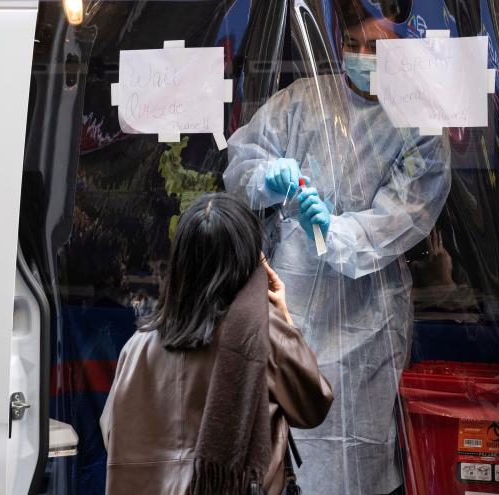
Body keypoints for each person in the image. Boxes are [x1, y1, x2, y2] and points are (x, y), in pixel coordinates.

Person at [223, 3, 450, 494]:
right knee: (284, 460)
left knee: (359, 458)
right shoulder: (301, 103)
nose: (363, 56)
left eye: (377, 48)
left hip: (367, 327)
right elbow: (240, 169)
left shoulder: (419, 127)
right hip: (294, 310)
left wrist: (332, 230)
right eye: (354, 45)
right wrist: (267, 177)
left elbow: (403, 217)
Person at [100, 193, 333, 495]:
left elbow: (112, 432)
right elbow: (313, 406)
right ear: (249, 260)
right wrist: (285, 318)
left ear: (181, 261)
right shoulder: (260, 335)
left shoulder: (138, 345)